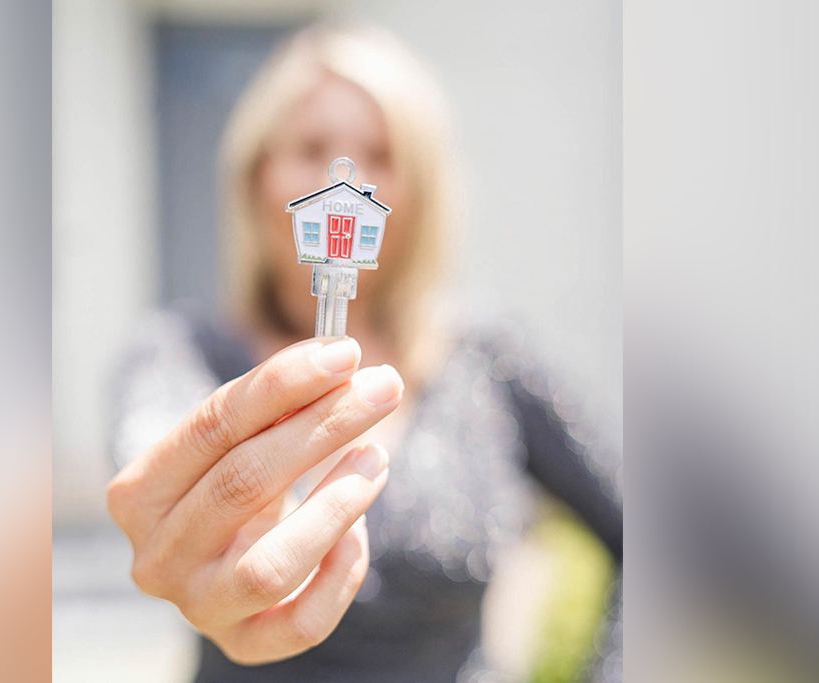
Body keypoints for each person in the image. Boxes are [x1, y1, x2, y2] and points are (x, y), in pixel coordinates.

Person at [107, 24, 621, 683]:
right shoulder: (179, 351)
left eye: (381, 153)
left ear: (419, 188)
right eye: (310, 146)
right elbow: (150, 448)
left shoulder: (487, 357)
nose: (338, 173)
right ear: (259, 174)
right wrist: (176, 520)